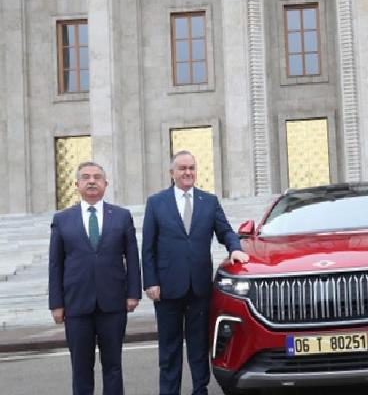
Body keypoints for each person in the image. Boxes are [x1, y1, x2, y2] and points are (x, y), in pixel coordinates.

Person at [142, 150, 249, 395]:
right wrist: (150, 282)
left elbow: (225, 231)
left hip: (199, 288)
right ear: (172, 173)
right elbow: (148, 247)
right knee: (169, 349)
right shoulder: (156, 203)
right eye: (182, 168)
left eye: (191, 168)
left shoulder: (208, 201)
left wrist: (235, 248)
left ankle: (200, 390)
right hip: (167, 288)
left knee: (199, 347)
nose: (188, 172)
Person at [48, 161, 142, 395]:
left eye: (97, 177)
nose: (92, 181)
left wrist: (133, 293)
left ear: (105, 184)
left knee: (113, 366)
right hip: (76, 305)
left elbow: (132, 257)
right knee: (81, 369)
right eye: (86, 177)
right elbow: (56, 264)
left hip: (113, 304)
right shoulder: (62, 219)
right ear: (77, 184)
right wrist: (56, 304)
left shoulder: (121, 216)